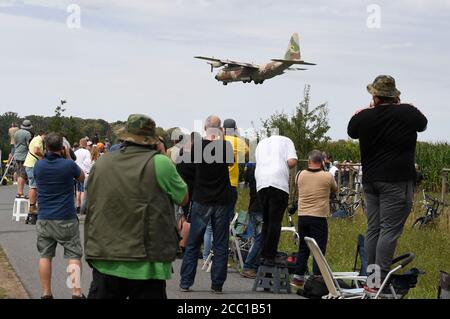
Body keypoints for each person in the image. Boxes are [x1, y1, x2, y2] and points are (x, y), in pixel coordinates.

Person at [84, 114, 188, 299]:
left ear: (125, 137)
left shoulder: (103, 162)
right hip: (147, 261)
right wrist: (163, 155)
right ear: (152, 141)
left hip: (106, 254)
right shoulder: (160, 162)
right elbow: (183, 198)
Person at [347, 75, 428, 293]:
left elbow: (351, 130)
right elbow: (423, 124)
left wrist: (370, 109)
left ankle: (371, 279)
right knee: (390, 230)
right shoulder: (408, 112)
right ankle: (378, 281)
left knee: (374, 228)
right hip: (396, 181)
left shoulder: (364, 116)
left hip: (371, 181)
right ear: (395, 95)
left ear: (374, 96)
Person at [179, 115, 234, 294]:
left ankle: (186, 282)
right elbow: (231, 162)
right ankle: (217, 284)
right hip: (221, 199)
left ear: (204, 128)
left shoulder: (196, 147)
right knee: (220, 243)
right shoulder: (225, 146)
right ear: (220, 129)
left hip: (201, 198)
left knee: (193, 241)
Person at [34, 133, 85, 299]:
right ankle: (76, 292)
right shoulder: (68, 165)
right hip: (66, 217)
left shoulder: (39, 166)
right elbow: (82, 177)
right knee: (73, 256)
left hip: (45, 217)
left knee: (45, 256)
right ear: (62, 148)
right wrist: (69, 156)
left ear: (45, 147)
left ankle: (46, 293)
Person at [202, 118, 248, 260]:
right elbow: (246, 156)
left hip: (212, 184)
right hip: (231, 185)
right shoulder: (238, 142)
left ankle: (205, 256)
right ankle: (220, 256)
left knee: (209, 225)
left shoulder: (216, 139)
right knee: (225, 223)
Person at [291, 150, 337, 287]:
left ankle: (298, 277)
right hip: (319, 217)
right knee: (318, 249)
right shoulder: (327, 176)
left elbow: (297, 187)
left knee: (303, 247)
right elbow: (335, 189)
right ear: (322, 161)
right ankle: (316, 278)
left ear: (309, 160)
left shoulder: (300, 175)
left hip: (303, 216)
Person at [255, 134, 298, 266]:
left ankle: (263, 253)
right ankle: (270, 255)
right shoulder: (287, 140)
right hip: (278, 183)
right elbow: (292, 161)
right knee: (275, 221)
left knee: (266, 221)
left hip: (261, 183)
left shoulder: (261, 143)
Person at [240, 162, 263, 279]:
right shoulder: (261, 178)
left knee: (256, 239)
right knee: (260, 239)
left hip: (253, 208)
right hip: (260, 209)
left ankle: (253, 266)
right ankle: (249, 266)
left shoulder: (252, 178)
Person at [23, 130, 46, 224]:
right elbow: (36, 150)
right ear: (43, 135)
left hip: (31, 164)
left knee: (34, 186)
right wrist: (44, 156)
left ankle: (33, 206)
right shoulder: (38, 139)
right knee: (34, 186)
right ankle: (32, 207)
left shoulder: (37, 139)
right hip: (32, 165)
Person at [13, 120, 33, 198]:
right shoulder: (27, 134)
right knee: (23, 174)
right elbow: (29, 144)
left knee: (19, 173)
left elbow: (15, 143)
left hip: (16, 154)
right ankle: (20, 192)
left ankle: (19, 191)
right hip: (23, 155)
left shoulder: (17, 132)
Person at [74, 138, 91, 214]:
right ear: (85, 144)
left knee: (78, 190)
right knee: (83, 190)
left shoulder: (76, 152)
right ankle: (82, 207)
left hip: (76, 172)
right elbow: (88, 162)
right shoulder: (87, 152)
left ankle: (77, 206)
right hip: (83, 173)